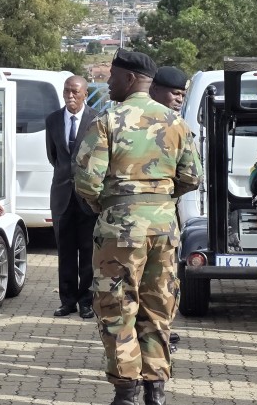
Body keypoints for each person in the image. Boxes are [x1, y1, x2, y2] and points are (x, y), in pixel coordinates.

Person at [74, 49, 200, 405]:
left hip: (120, 229)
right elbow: (192, 176)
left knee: (117, 307)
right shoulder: (176, 122)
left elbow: (86, 180)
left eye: (112, 76)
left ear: (130, 79)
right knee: (158, 308)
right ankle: (155, 391)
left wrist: (111, 205)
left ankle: (126, 393)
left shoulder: (107, 121)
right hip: (163, 228)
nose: (109, 82)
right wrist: (158, 202)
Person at [45, 75, 98, 319]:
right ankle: (67, 301)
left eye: (75, 92)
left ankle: (87, 300)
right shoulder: (53, 119)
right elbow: (54, 157)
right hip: (62, 195)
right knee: (65, 250)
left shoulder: (96, 119)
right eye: (67, 91)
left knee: (88, 250)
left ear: (85, 94)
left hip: (87, 197)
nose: (70, 96)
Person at [149, 65, 194, 354]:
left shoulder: (115, 119)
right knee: (160, 283)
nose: (179, 100)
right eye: (175, 93)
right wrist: (166, 195)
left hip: (122, 219)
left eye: (182, 95)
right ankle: (157, 340)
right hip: (162, 218)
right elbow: (191, 177)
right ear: (156, 90)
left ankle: (155, 337)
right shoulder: (177, 127)